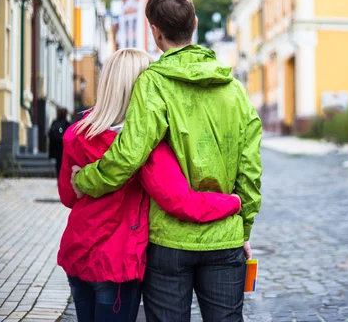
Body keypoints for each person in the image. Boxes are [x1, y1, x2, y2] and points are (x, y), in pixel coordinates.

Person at [72, 0, 263, 322]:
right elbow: (250, 171)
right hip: (224, 239)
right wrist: (242, 230)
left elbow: (128, 156)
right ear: (195, 24)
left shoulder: (152, 84)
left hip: (168, 243)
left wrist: (85, 179)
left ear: (155, 32)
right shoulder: (234, 90)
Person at [58, 48, 242, 322]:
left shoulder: (76, 133)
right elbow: (180, 201)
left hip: (78, 255)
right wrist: (234, 202)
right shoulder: (146, 147)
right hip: (116, 265)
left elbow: (67, 196)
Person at [48, 107, 71, 176]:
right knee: (63, 163)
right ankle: (62, 177)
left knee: (58, 163)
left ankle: (59, 176)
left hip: (55, 147)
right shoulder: (67, 123)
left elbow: (49, 133)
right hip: (63, 147)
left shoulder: (54, 122)